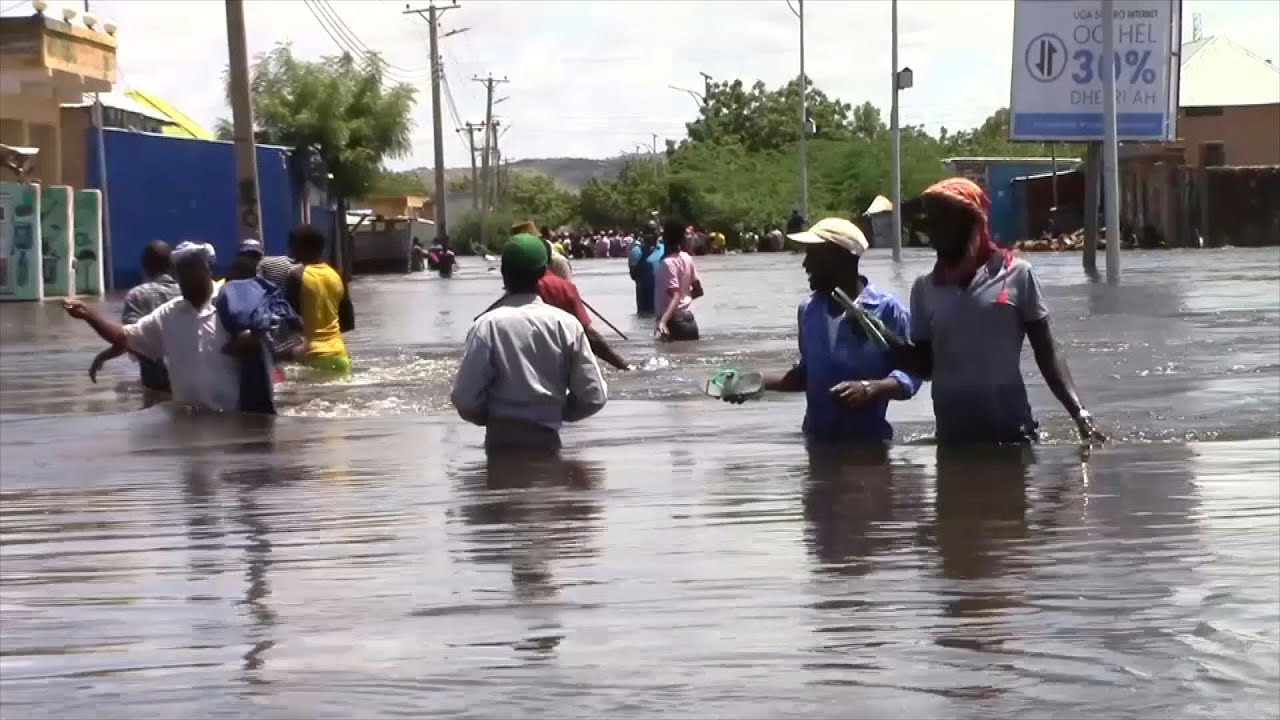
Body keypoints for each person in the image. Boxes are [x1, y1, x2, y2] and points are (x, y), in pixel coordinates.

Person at [892, 177, 1106, 445]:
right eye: (931, 223)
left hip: (1012, 437)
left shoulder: (1016, 275)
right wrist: (892, 346)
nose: (932, 234)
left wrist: (1079, 411)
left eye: (941, 223)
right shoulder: (925, 288)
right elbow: (925, 367)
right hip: (953, 441)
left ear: (973, 224)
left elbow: (1047, 352)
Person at [721, 218, 921, 443]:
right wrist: (750, 382)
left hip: (868, 446)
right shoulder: (809, 311)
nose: (805, 264)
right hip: (817, 443)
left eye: (813, 255)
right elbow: (807, 375)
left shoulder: (887, 309)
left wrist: (870, 389)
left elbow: (912, 375)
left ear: (841, 258)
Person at [64, 242, 264, 413]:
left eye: (192, 270)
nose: (187, 279)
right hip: (189, 421)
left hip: (237, 417)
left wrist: (252, 337)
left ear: (207, 270)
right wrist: (89, 315)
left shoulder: (233, 303)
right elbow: (125, 337)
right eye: (182, 273)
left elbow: (273, 330)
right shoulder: (169, 314)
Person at [451, 233, 608, 451]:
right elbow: (594, 396)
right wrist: (558, 412)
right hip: (548, 441)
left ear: (503, 273)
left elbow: (464, 398)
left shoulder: (486, 326)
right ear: (543, 273)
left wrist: (491, 418)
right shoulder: (567, 325)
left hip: (500, 443)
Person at [87, 240, 182, 394]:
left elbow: (129, 339)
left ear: (144, 266)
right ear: (171, 265)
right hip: (189, 378)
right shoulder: (186, 292)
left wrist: (103, 357)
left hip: (157, 380)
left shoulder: (137, 295)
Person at [284, 224, 355, 376]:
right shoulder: (336, 275)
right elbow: (347, 323)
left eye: (292, 244)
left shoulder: (296, 276)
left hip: (311, 356)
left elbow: (287, 320)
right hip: (340, 355)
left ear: (300, 247)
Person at [655, 221, 704, 341]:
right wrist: (685, 300)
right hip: (690, 323)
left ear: (665, 238)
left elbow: (675, 297)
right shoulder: (687, 258)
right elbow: (698, 291)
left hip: (674, 324)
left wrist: (663, 321)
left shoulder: (668, 263)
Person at [628, 222, 663, 316]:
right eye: (648, 232)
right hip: (645, 304)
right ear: (643, 234)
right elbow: (633, 276)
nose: (651, 235)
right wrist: (645, 254)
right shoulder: (636, 252)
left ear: (658, 233)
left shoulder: (664, 249)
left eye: (653, 231)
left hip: (663, 304)